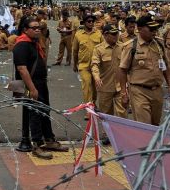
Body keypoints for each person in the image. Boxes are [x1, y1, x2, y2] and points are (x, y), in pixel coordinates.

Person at [13, 16, 68, 159]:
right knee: (35, 113)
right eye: (34, 28)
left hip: (40, 83)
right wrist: (32, 89)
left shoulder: (33, 42)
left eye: (39, 28)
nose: (38, 30)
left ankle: (49, 139)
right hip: (32, 85)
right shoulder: (21, 45)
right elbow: (22, 69)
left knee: (45, 110)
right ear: (25, 30)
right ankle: (37, 144)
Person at [117, 15, 170, 126]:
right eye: (151, 29)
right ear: (140, 29)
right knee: (144, 125)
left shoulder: (159, 43)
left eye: (155, 28)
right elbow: (122, 70)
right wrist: (123, 93)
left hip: (157, 91)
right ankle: (143, 143)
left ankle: (152, 144)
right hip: (139, 91)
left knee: (156, 124)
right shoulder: (131, 46)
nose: (154, 31)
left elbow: (165, 67)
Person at [91, 24, 127, 119]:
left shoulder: (122, 47)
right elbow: (95, 64)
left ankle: (121, 133)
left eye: (116, 33)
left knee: (122, 112)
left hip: (120, 86)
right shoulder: (98, 49)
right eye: (113, 34)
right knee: (106, 113)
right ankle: (107, 133)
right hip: (105, 86)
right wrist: (96, 77)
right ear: (105, 35)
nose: (116, 36)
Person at [72, 14, 104, 112]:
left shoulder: (99, 34)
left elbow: (103, 49)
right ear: (84, 23)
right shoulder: (78, 35)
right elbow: (75, 51)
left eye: (92, 21)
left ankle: (93, 103)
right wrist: (75, 64)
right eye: (88, 21)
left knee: (95, 88)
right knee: (87, 85)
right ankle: (88, 109)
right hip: (84, 65)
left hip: (96, 66)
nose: (91, 23)